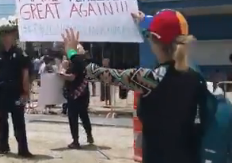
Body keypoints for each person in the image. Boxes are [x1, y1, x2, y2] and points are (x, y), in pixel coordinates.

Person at [62, 10, 207, 163]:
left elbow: (96, 72)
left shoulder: (148, 79)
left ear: (153, 41)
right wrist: (147, 22)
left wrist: (72, 52)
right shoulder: (196, 77)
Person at [0, 26, 33, 157]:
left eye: (8, 35)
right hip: (1, 92)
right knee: (2, 120)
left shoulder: (20, 54)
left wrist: (25, 92)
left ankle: (23, 149)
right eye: (4, 36)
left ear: (13, 38)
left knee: (18, 121)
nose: (5, 38)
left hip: (16, 92)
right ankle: (2, 146)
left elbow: (25, 74)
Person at [61, 44, 93, 148]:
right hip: (83, 93)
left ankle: (75, 141)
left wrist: (62, 75)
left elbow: (72, 77)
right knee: (84, 115)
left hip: (75, 94)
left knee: (73, 117)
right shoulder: (82, 62)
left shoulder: (76, 63)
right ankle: (89, 135)